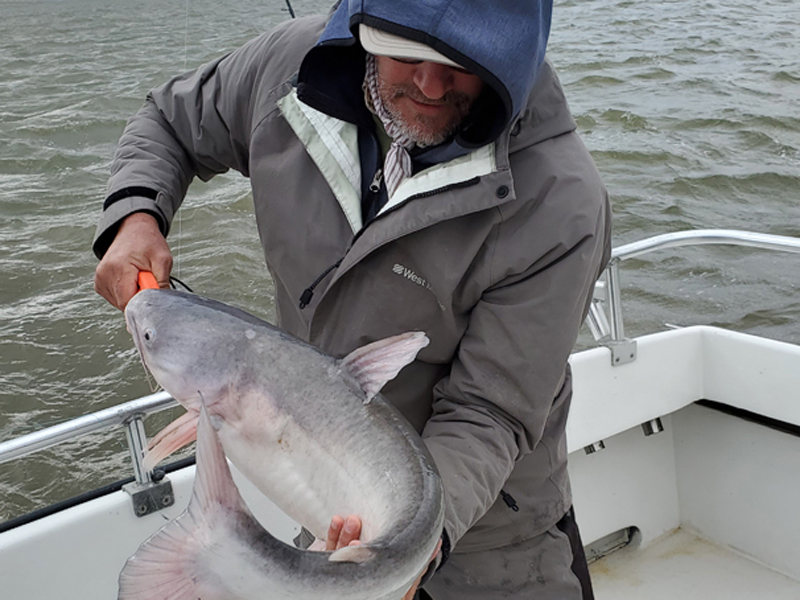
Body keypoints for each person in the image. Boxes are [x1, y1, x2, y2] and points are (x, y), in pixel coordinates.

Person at [93, 1, 611, 598]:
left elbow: (489, 411)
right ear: (361, 30)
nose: (430, 84)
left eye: (464, 66)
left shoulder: (561, 201)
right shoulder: (284, 68)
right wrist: (135, 211)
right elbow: (171, 120)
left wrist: (409, 542)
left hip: (495, 532)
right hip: (329, 501)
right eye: (405, 53)